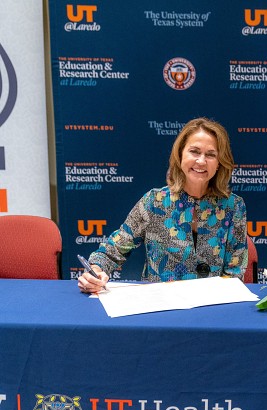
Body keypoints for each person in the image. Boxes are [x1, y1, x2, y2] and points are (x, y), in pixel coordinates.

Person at [78, 118, 247, 293]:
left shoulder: (233, 206)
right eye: (194, 152)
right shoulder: (154, 201)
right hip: (161, 309)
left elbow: (235, 273)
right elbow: (110, 251)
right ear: (180, 154)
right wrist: (95, 271)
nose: (201, 161)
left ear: (219, 162)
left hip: (213, 307)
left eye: (211, 154)